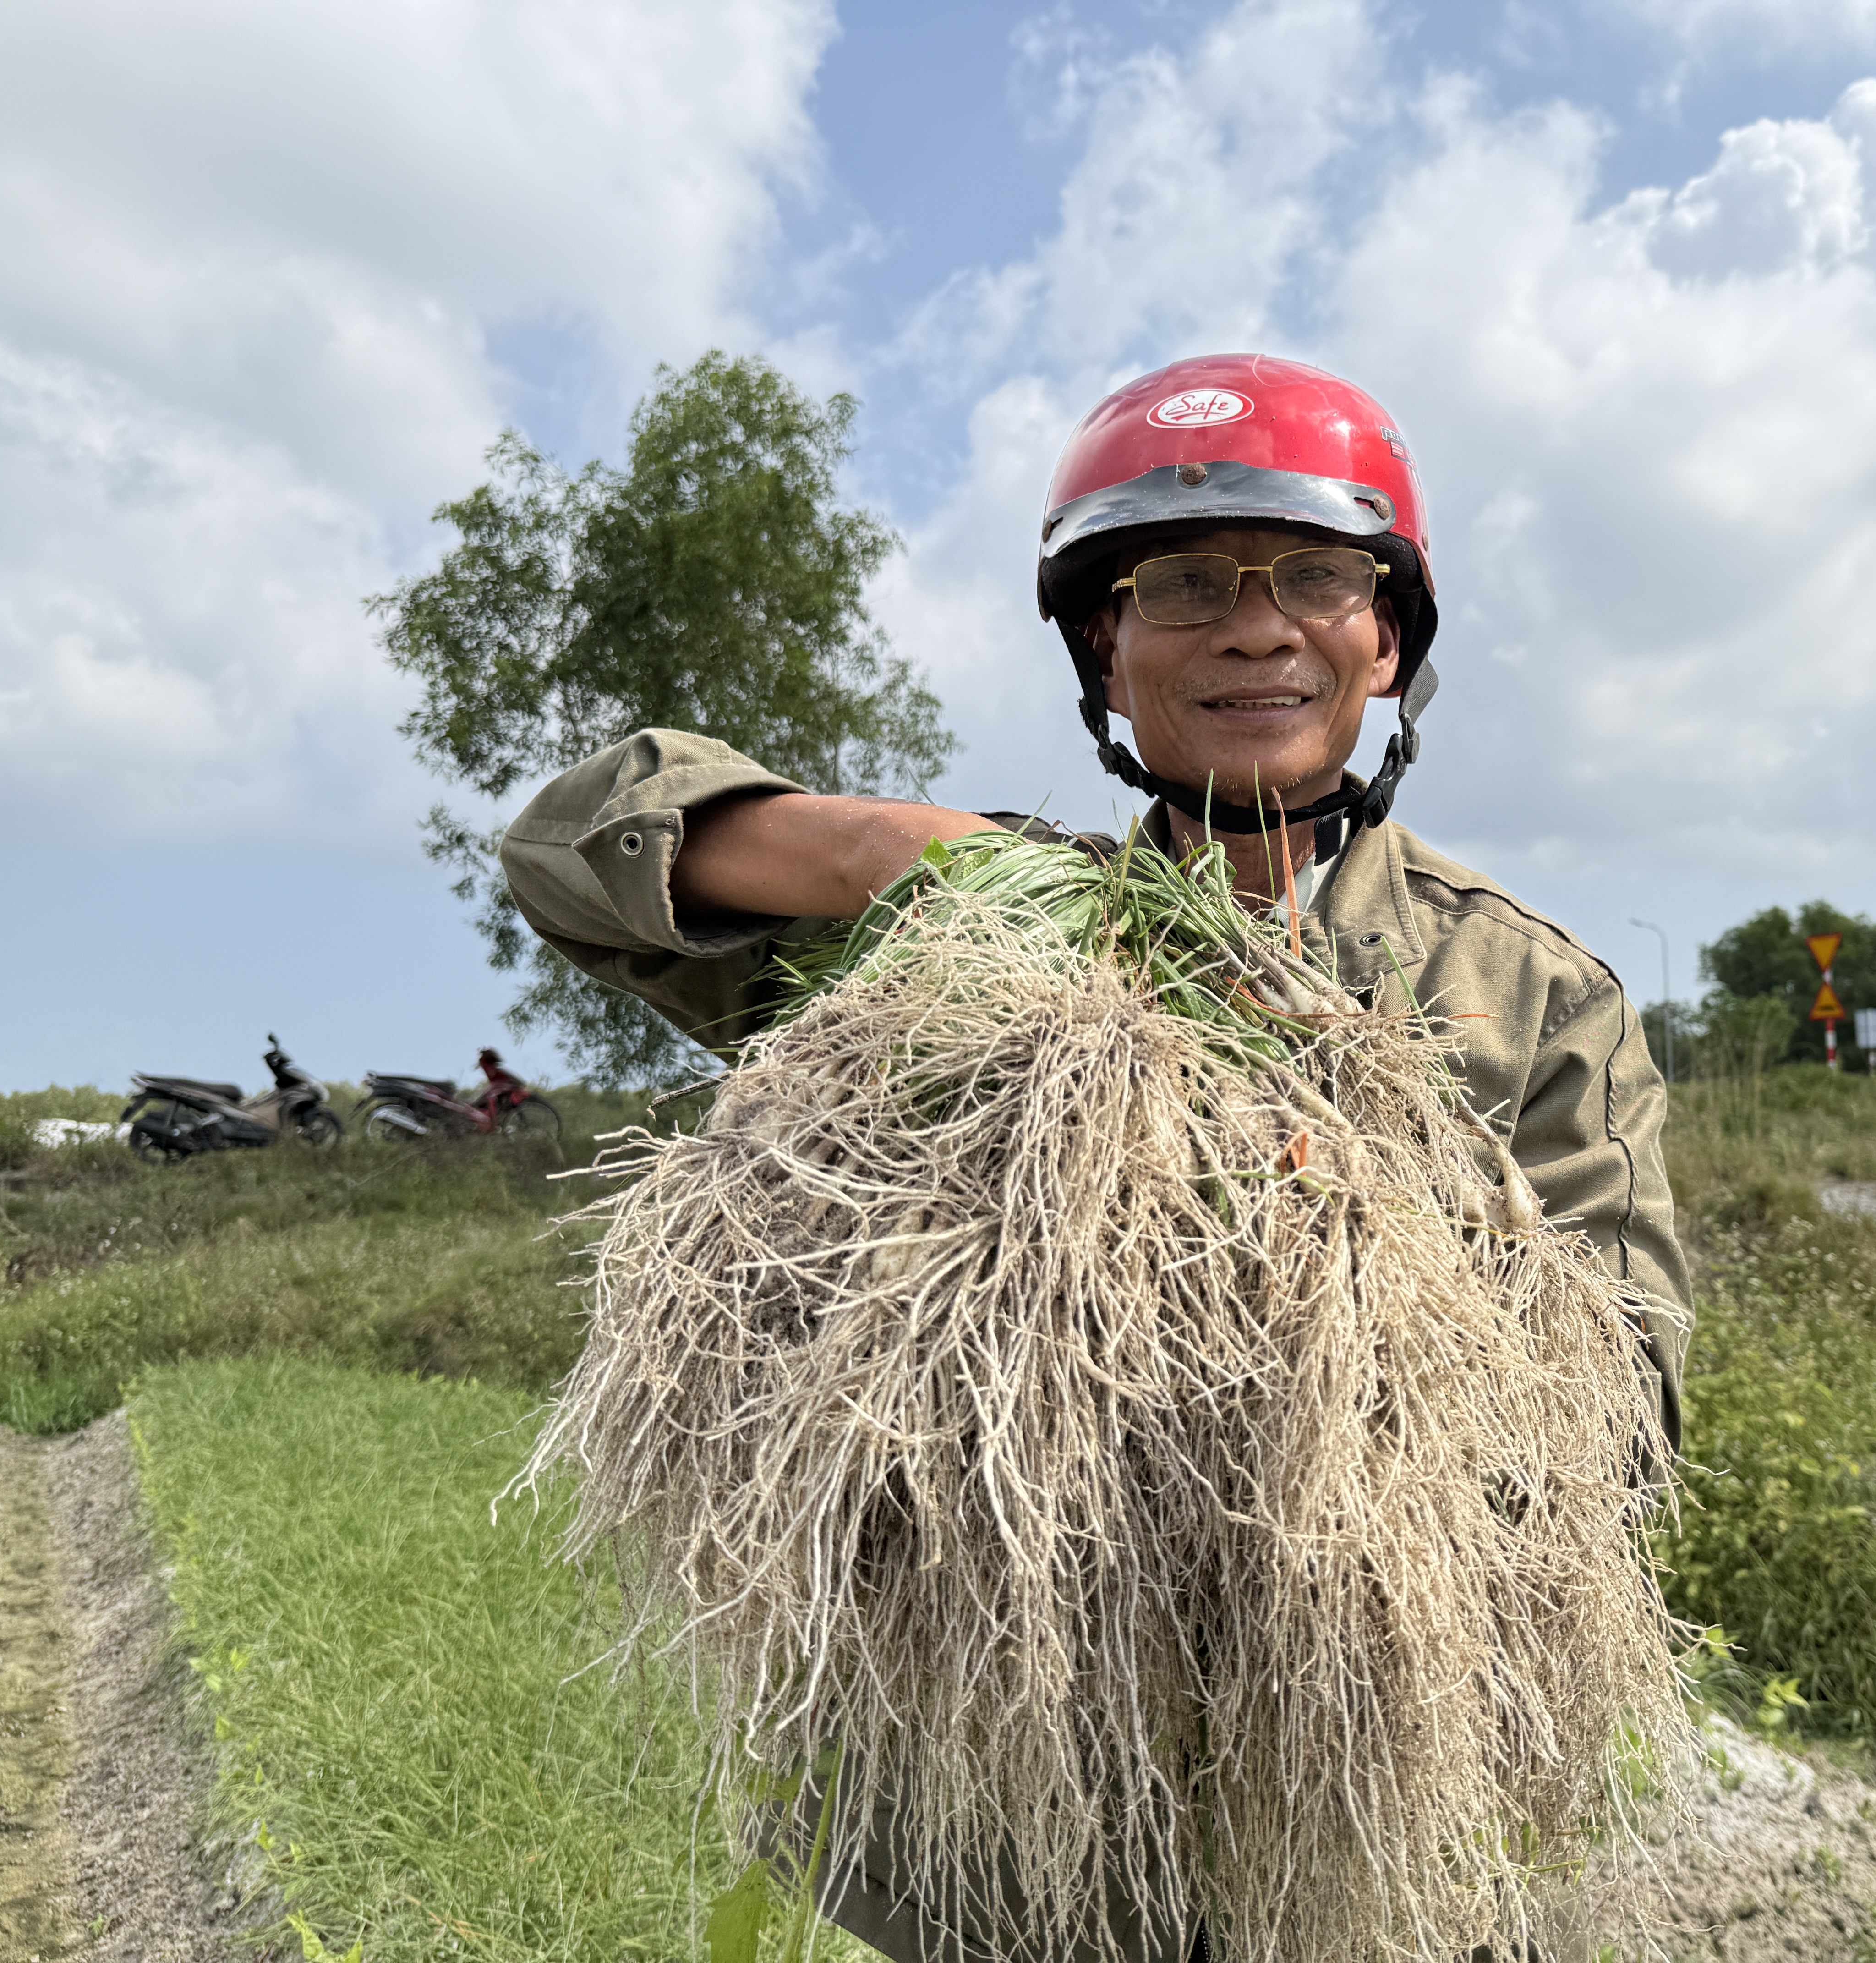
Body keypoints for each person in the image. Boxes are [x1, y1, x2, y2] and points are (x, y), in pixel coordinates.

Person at [498, 351, 1687, 1963]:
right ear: (1104, 652)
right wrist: (872, 852)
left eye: (1319, 577)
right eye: (1184, 583)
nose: (1256, 625)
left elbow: (1616, 1418)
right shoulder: (959, 943)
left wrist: (1317, 1262)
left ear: (1387, 642)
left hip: (1355, 1850)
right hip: (991, 1838)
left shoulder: (1530, 998)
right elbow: (570, 847)